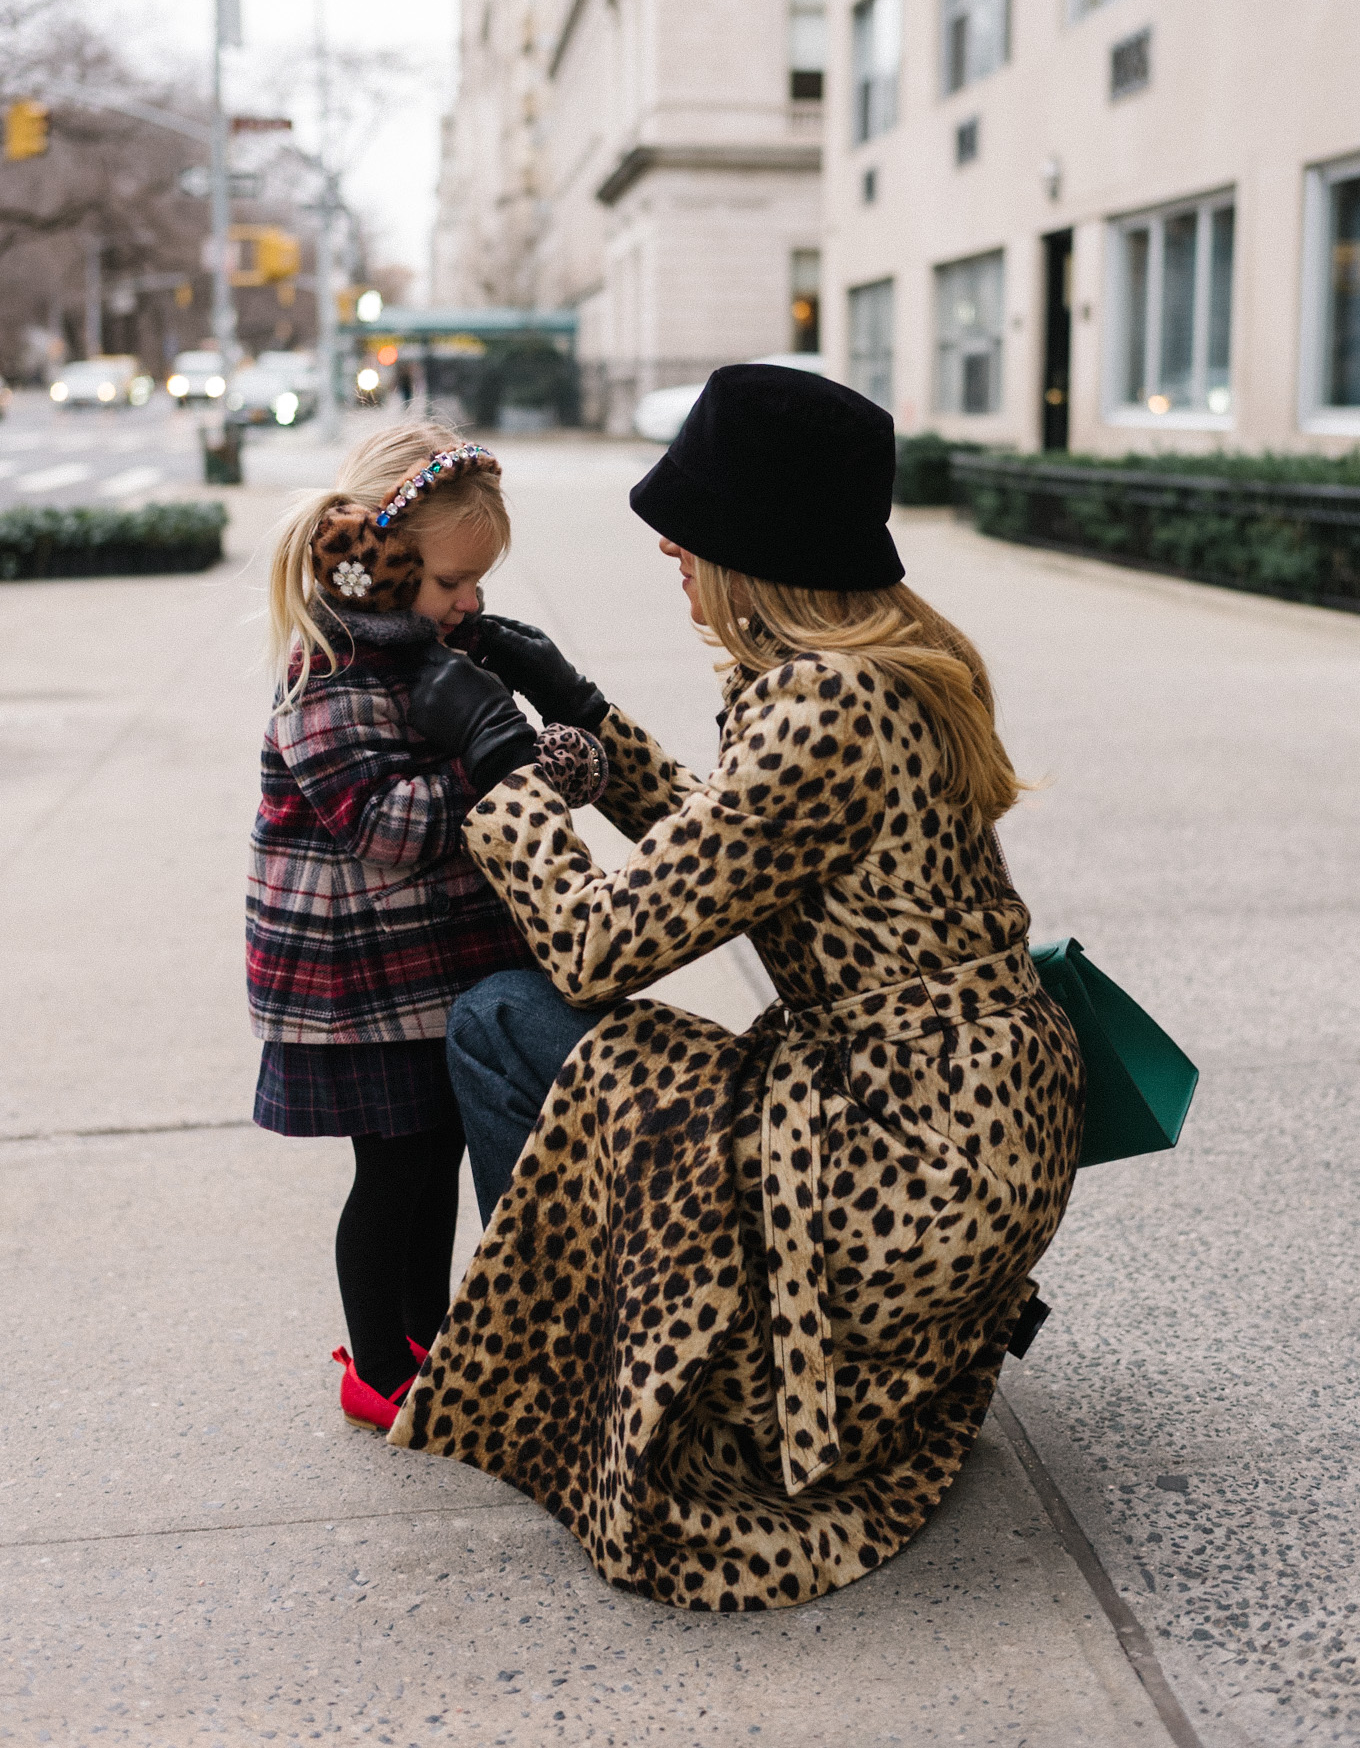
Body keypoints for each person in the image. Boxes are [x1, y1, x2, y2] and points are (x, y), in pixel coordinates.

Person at [387, 363, 1086, 1612]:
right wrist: (586, 719)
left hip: (901, 1155)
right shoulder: (901, 661)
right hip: (983, 1120)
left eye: (689, 527)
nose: (667, 544)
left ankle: (582, 1377)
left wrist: (503, 768)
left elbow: (601, 946)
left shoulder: (821, 703)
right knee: (609, 1051)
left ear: (753, 545)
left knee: (502, 1020)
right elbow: (750, 843)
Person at [248, 419, 608, 1434]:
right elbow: (387, 825)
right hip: (360, 981)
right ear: (382, 559)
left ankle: (429, 1334)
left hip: (435, 962)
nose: (472, 602)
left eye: (480, 580)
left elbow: (535, 773)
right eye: (453, 581)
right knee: (394, 1168)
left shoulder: (436, 653)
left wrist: (542, 738)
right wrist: (502, 762)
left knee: (440, 1149)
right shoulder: (326, 677)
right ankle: (374, 1364)